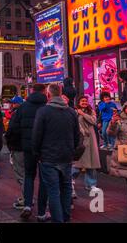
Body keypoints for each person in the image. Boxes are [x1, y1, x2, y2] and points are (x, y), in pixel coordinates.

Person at [33, 84, 80, 223]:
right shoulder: (71, 112)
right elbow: (77, 135)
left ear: (48, 95)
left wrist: (37, 154)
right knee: (65, 189)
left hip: (48, 157)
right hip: (66, 156)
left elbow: (37, 136)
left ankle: (58, 220)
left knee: (53, 190)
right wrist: (72, 150)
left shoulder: (43, 111)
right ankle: (65, 218)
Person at [9, 83, 49, 221]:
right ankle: (42, 211)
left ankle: (27, 205)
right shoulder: (47, 107)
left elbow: (13, 128)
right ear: (44, 92)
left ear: (31, 91)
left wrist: (15, 144)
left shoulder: (23, 107)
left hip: (27, 147)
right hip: (44, 148)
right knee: (44, 179)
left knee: (29, 176)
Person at [72, 96, 101, 198]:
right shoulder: (74, 112)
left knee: (91, 163)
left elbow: (93, 121)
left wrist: (83, 114)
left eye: (85, 101)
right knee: (77, 163)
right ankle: (71, 181)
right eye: (82, 101)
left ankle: (91, 184)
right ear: (78, 102)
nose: (84, 102)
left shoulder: (91, 111)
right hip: (81, 139)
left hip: (91, 139)